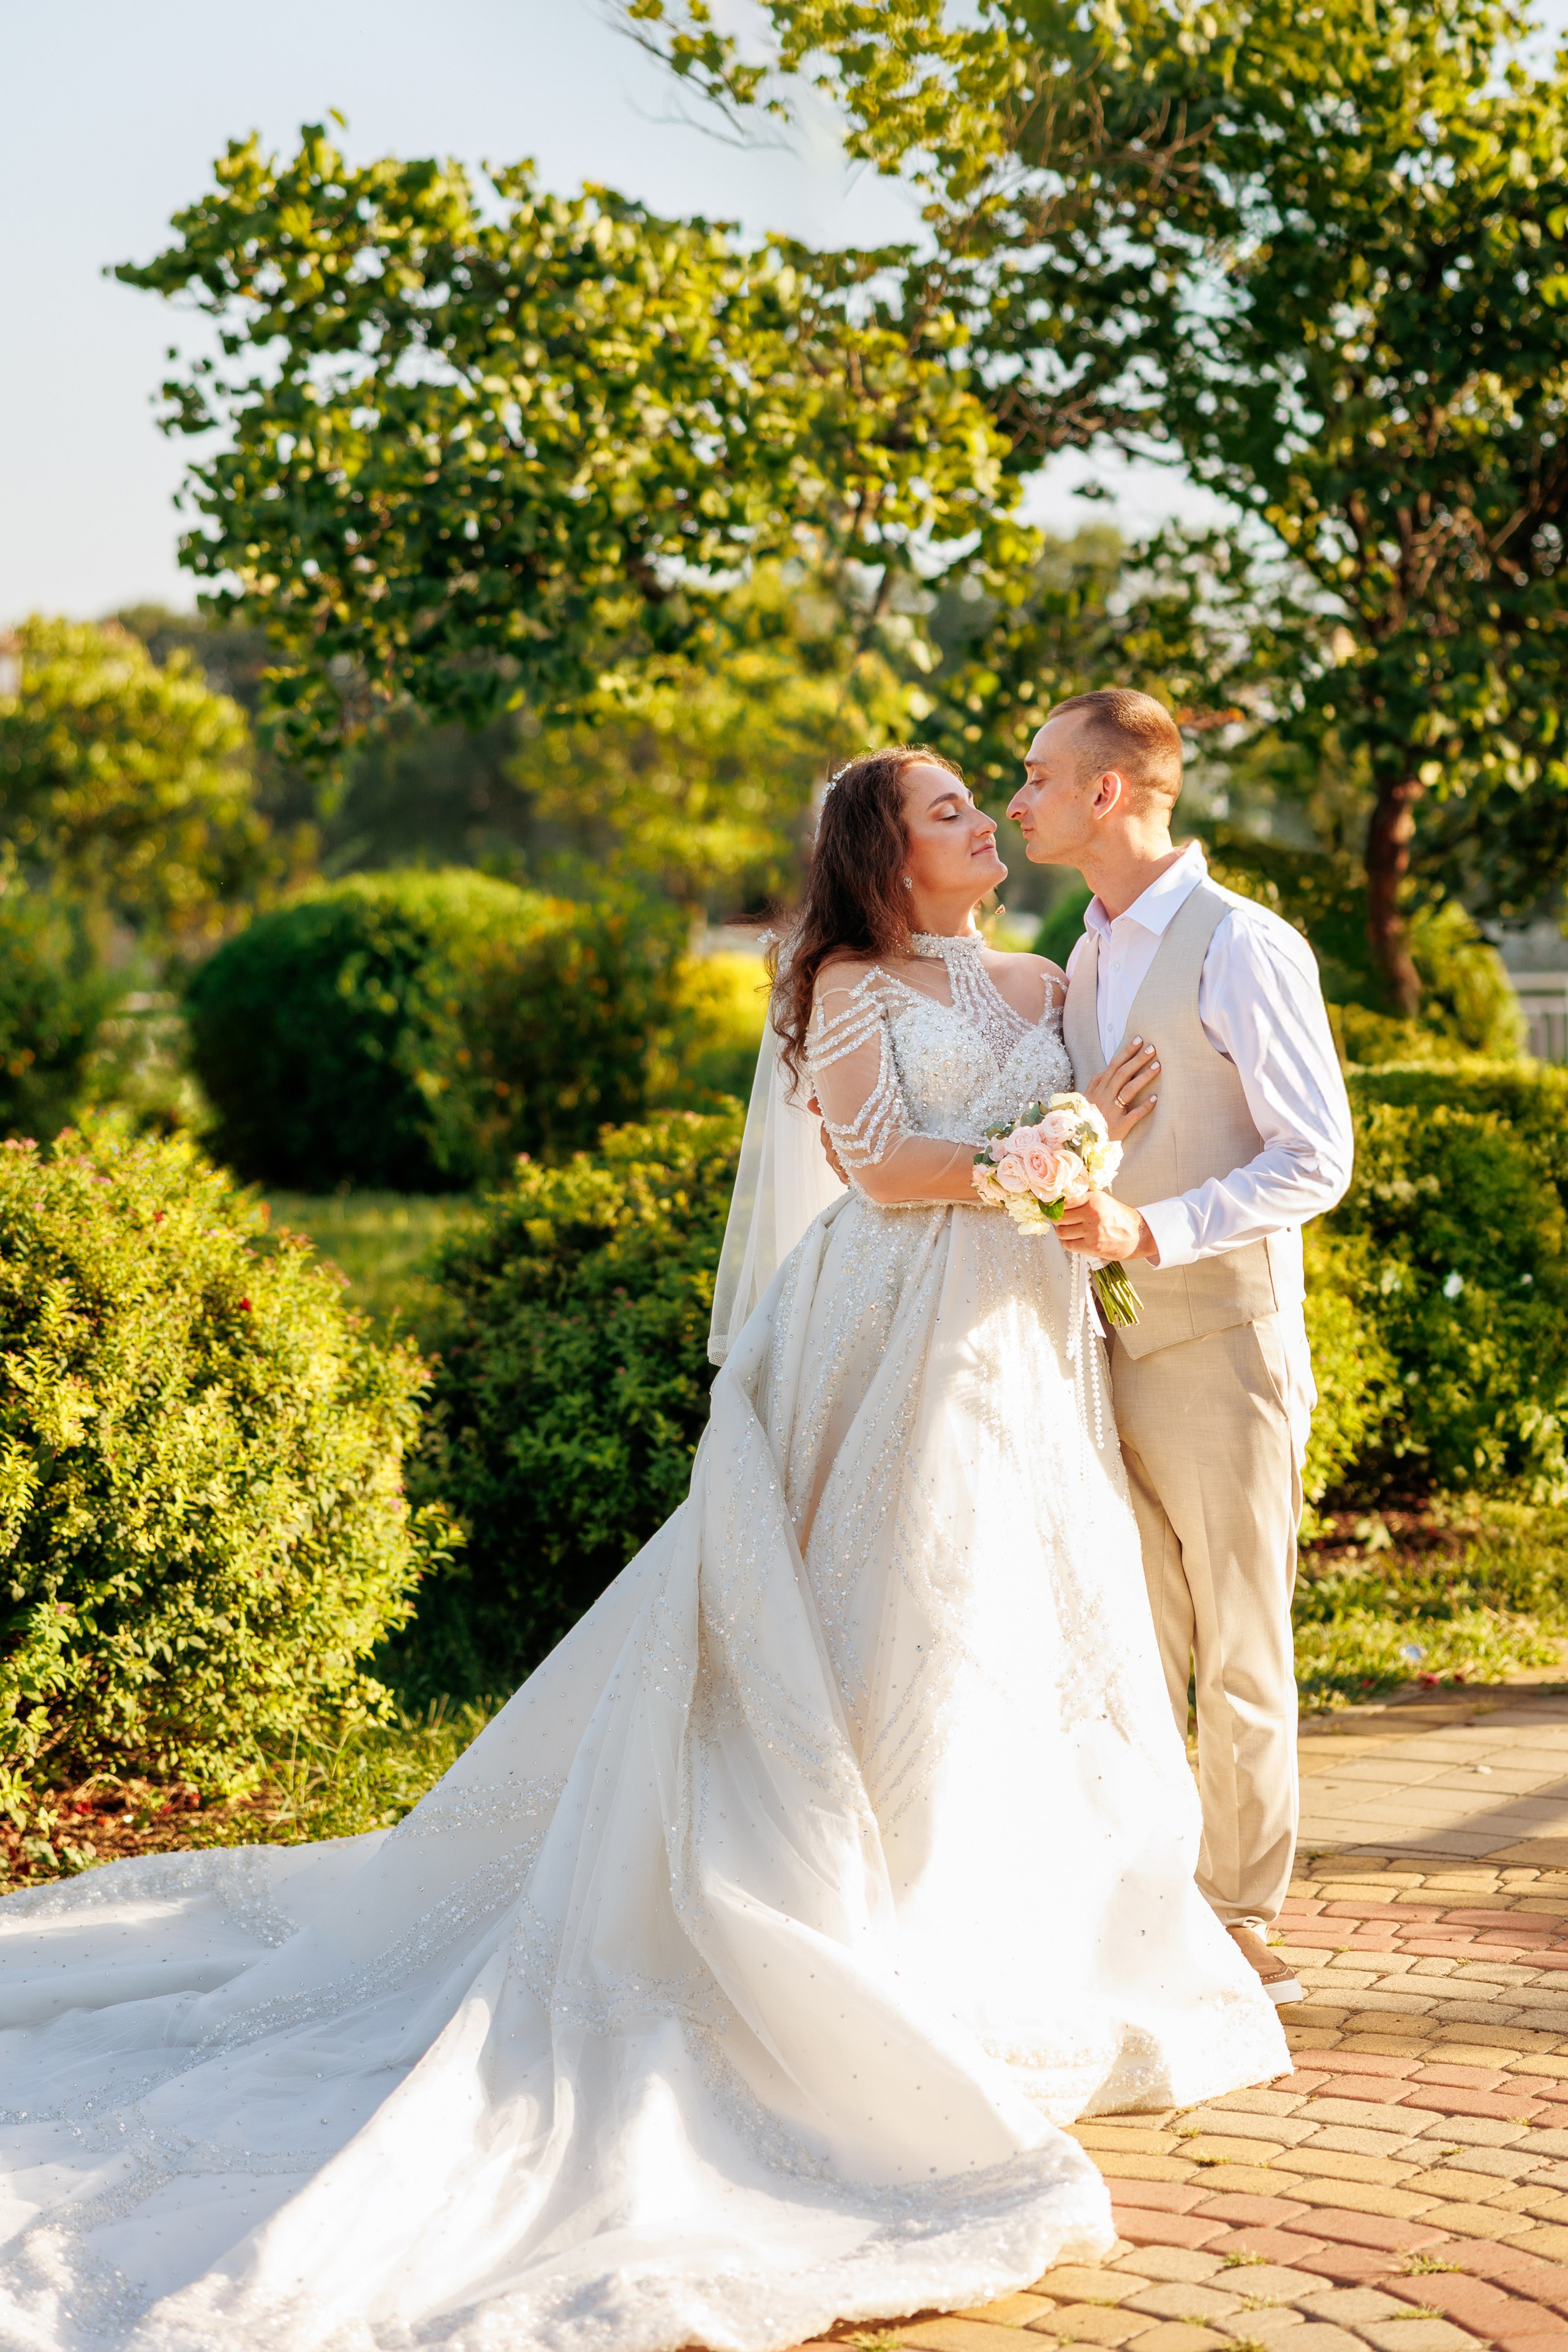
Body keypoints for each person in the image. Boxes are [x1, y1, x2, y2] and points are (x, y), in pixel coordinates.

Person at [0, 746, 1286, 2352]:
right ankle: (867, 1941)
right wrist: (1060, 1142)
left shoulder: (1043, 973)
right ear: (888, 860)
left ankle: (1026, 1928)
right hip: (886, 1333)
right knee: (893, 1628)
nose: (981, 823)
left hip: (1022, 1345)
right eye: (950, 810)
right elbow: (883, 1169)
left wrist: (1098, 1158)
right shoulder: (839, 989)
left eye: (985, 800)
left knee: (1016, 1632)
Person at [1007, 690, 1355, 2003]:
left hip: (1221, 1347)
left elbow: (1313, 1159)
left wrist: (1149, 1233)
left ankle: (1241, 1917)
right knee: (1134, 1635)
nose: (1016, 799)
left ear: (1108, 794)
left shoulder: (1240, 945)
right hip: (1104, 1352)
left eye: (1036, 776)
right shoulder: (1080, 957)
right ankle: (1151, 1902)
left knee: (1240, 1637)